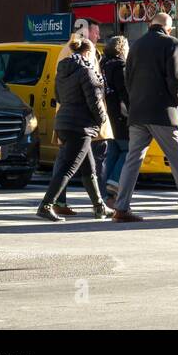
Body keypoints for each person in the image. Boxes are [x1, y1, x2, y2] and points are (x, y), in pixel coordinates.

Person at [112, 13, 178, 223]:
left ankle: (121, 207)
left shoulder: (136, 45)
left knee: (133, 160)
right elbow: (177, 76)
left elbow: (128, 78)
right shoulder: (171, 44)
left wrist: (134, 100)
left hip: (138, 112)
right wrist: (175, 101)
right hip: (162, 111)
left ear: (151, 25)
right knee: (177, 159)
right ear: (167, 28)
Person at [36, 37, 114, 222]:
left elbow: (59, 97)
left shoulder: (62, 72)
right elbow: (95, 101)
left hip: (64, 122)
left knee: (89, 168)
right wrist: (101, 119)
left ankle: (99, 206)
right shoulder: (87, 72)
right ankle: (46, 205)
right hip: (81, 126)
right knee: (68, 168)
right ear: (88, 53)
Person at [99, 36, 130, 197]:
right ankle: (115, 181)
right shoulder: (120, 67)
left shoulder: (102, 66)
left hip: (107, 116)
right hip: (120, 116)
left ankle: (105, 189)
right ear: (122, 49)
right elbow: (124, 93)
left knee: (112, 152)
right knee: (129, 150)